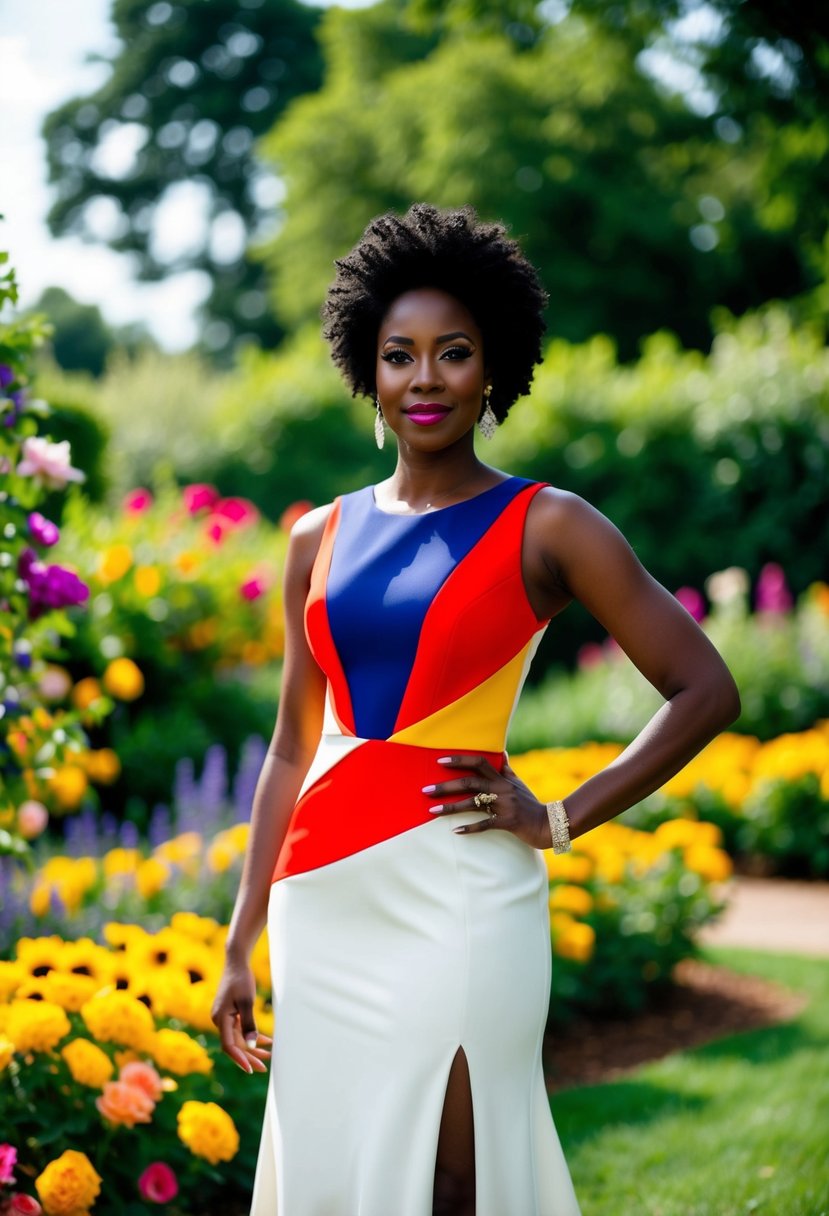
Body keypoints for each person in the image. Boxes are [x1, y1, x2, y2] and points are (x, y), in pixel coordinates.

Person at [211, 203, 740, 1216]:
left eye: (452, 353)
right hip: (323, 900)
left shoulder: (551, 524)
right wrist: (239, 940)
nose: (424, 377)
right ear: (366, 369)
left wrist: (558, 817)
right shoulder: (312, 536)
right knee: (335, 1164)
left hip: (461, 891)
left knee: (459, 1177)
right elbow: (290, 745)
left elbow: (705, 689)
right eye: (398, 354)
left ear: (492, 369)